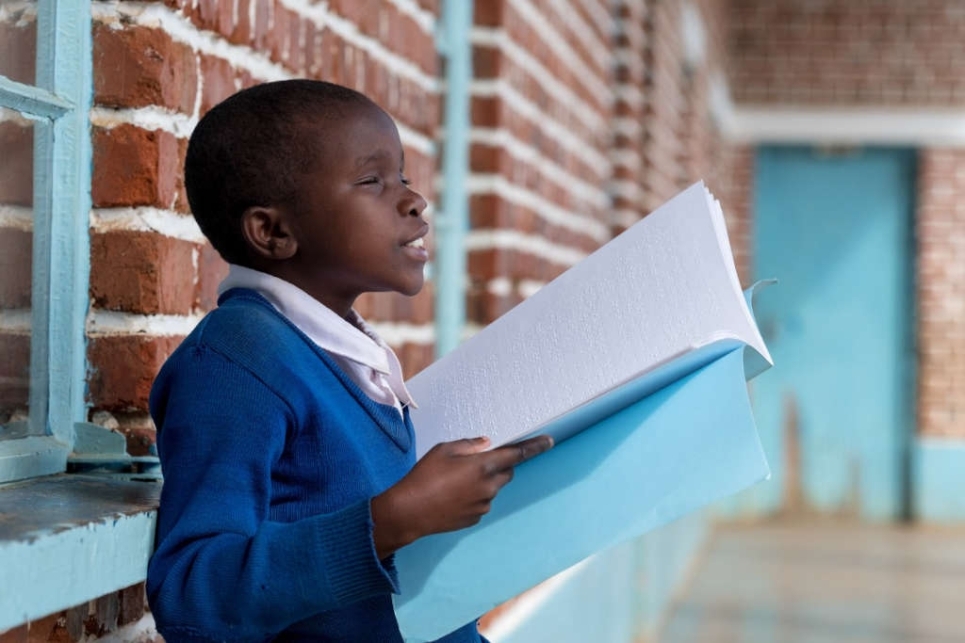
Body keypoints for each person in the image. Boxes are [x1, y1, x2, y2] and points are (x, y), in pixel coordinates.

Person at [146, 80, 553, 642]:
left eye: (404, 178)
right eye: (372, 181)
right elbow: (191, 595)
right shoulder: (237, 363)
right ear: (273, 231)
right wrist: (391, 521)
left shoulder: (342, 354)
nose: (414, 201)